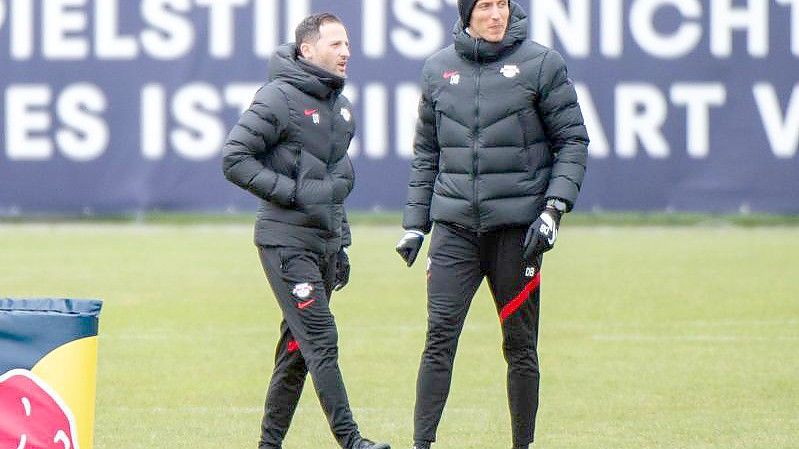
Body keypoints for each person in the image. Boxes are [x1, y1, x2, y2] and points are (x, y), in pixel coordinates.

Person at [395, 1, 589, 448]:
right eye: (485, 5)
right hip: (453, 231)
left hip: (517, 233)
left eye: (503, 4)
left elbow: (573, 141)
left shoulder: (542, 64)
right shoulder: (436, 70)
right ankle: (421, 444)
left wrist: (553, 209)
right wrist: (414, 224)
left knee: (520, 347)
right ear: (467, 14)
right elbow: (427, 153)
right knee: (438, 340)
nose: (497, 14)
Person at [222, 12, 390, 449]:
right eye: (336, 44)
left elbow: (333, 186)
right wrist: (291, 193)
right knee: (320, 338)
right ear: (307, 49)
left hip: (322, 243)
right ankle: (351, 440)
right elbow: (235, 157)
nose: (346, 52)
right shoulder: (278, 97)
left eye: (348, 44)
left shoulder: (341, 106)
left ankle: (268, 444)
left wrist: (342, 244)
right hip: (285, 241)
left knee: (296, 352)